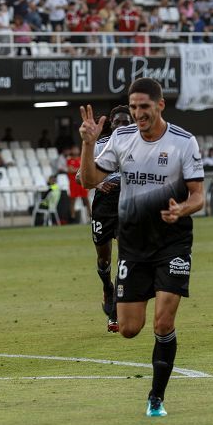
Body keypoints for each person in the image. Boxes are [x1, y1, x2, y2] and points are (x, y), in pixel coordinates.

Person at [78, 78, 205, 418]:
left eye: (144, 107)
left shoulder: (183, 142)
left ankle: (156, 398)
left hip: (172, 242)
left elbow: (198, 195)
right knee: (129, 329)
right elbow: (87, 180)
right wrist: (88, 144)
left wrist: (183, 208)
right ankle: (137, 292)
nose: (137, 114)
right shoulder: (121, 138)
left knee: (163, 323)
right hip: (134, 245)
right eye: (133, 108)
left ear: (160, 105)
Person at [88, 105, 132, 333]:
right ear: (111, 125)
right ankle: (107, 286)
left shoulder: (140, 145)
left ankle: (115, 313)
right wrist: (98, 183)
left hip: (127, 201)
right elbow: (80, 175)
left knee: (124, 259)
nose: (122, 126)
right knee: (103, 259)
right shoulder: (100, 146)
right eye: (118, 122)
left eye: (127, 122)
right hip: (104, 204)